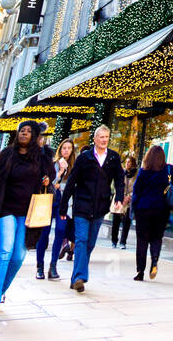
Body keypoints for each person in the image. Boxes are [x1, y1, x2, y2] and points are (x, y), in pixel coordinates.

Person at [0, 120, 54, 319]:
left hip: (28, 213)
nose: (24, 133)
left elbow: (51, 175)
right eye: (22, 130)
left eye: (29, 131)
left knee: (18, 256)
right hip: (5, 210)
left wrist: (47, 178)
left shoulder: (41, 156)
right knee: (4, 253)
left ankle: (1, 290)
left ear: (35, 135)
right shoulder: (7, 155)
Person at [60, 124, 125, 293]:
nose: (104, 140)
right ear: (95, 139)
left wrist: (119, 197)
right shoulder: (85, 158)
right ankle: (80, 277)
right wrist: (63, 206)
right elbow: (72, 181)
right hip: (82, 205)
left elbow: (119, 179)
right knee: (81, 240)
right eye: (101, 137)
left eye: (107, 137)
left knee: (90, 243)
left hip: (100, 207)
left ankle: (76, 277)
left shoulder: (113, 158)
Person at [131, 146, 173, 281]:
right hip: (161, 209)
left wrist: (134, 208)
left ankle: (140, 272)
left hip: (143, 209)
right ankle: (154, 261)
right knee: (156, 238)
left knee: (142, 241)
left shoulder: (143, 172)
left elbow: (136, 191)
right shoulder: (168, 170)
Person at [36, 137, 76, 280]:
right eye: (64, 148)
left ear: (72, 151)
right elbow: (46, 181)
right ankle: (39, 266)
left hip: (63, 204)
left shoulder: (75, 166)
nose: (66, 150)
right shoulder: (52, 164)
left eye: (69, 148)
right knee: (44, 234)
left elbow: (74, 186)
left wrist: (62, 185)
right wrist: (59, 174)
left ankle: (53, 266)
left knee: (60, 231)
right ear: (60, 149)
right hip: (48, 202)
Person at [111, 156, 137, 249]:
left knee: (126, 222)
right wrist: (120, 195)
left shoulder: (136, 174)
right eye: (126, 162)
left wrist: (129, 196)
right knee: (116, 221)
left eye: (129, 162)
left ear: (133, 163)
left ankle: (123, 242)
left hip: (129, 200)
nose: (127, 164)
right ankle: (114, 241)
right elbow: (116, 185)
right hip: (119, 199)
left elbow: (137, 188)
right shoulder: (121, 172)